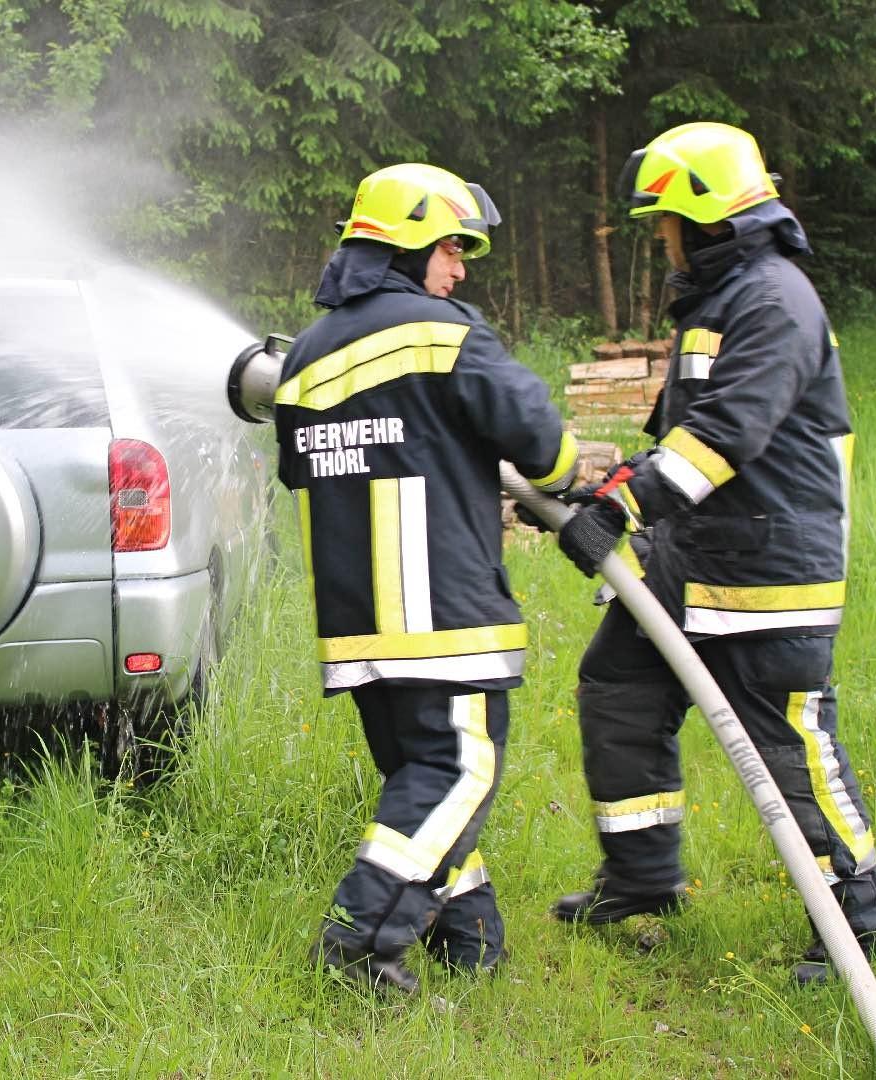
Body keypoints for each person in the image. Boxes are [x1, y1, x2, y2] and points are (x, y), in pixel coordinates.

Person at [544, 122, 876, 986]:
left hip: (770, 572)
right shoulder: (721, 301)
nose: (661, 239)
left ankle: (857, 914)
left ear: (705, 220)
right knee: (618, 691)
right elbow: (680, 433)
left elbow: (727, 435)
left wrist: (623, 504)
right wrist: (617, 490)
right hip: (688, 564)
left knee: (791, 750)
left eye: (666, 223)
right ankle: (642, 877)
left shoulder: (775, 301)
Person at [274, 163, 582, 993]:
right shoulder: (442, 332)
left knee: (421, 780)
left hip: (358, 625)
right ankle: (356, 939)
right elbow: (544, 445)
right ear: (409, 244)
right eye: (451, 246)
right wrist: (573, 476)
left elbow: (298, 472)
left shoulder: (305, 356)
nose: (461, 267)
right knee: (458, 775)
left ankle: (470, 938)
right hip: (444, 614)